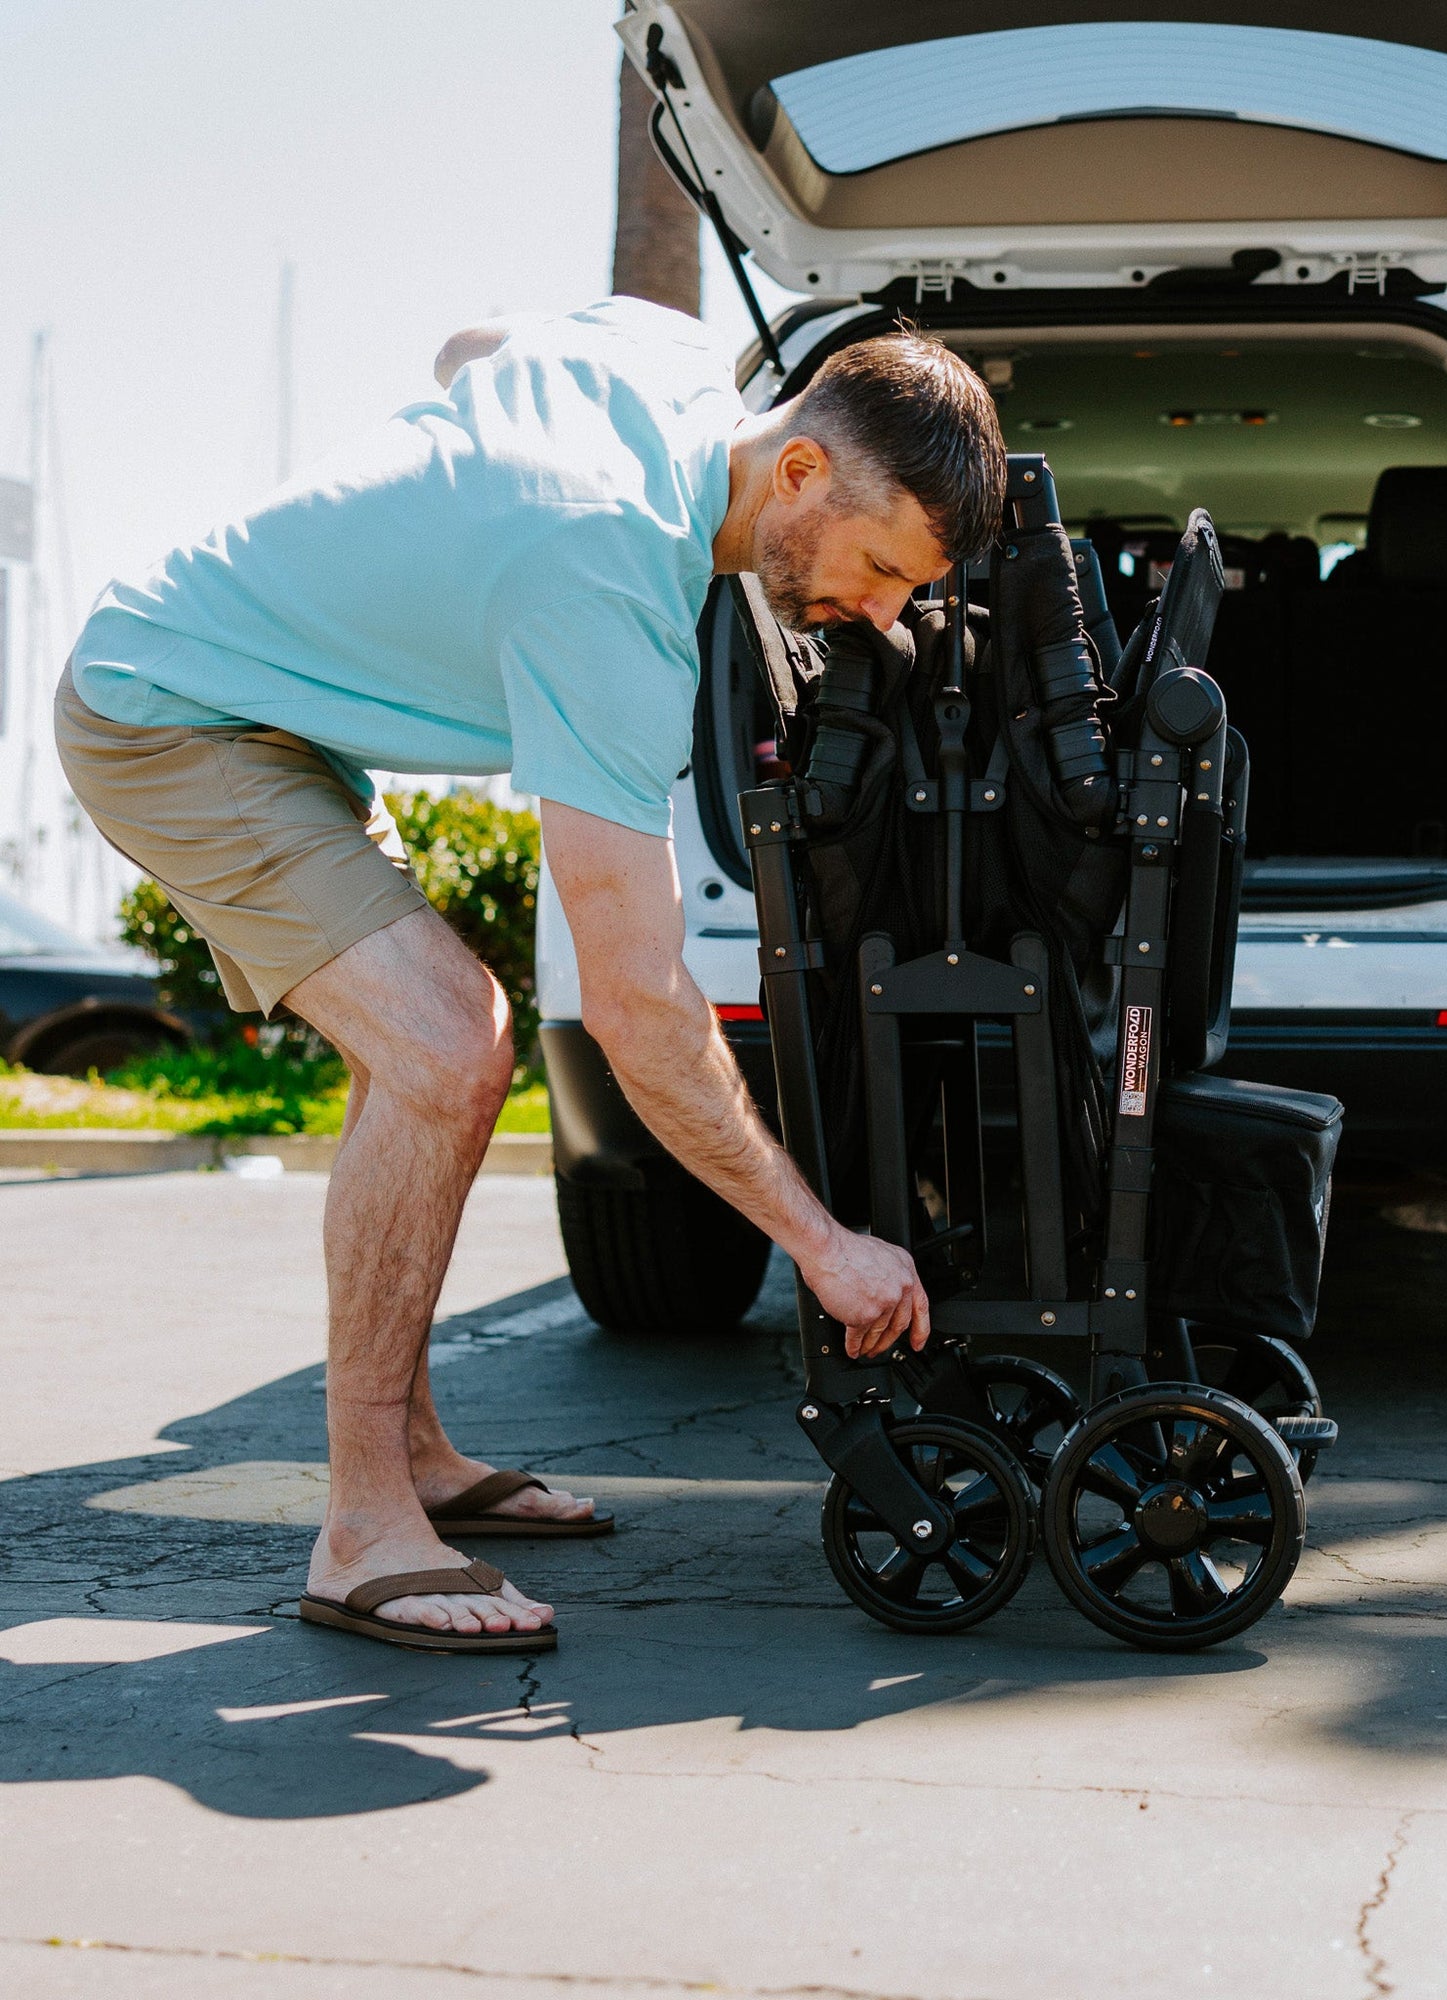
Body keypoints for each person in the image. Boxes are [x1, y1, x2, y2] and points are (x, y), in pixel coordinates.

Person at [57, 300, 1008, 1653]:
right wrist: (825, 1246)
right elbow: (635, 1006)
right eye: (876, 565)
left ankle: (419, 1449)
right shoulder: (610, 586)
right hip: (165, 708)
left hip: (275, 705)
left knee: (428, 1052)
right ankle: (364, 1525)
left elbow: (467, 347)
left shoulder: (673, 358)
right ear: (799, 471)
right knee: (451, 1047)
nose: (882, 612)